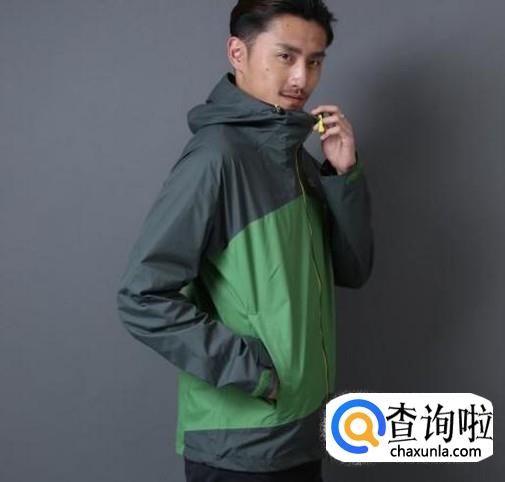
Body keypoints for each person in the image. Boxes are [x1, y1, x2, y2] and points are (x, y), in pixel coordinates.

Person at [116, 1, 374, 480]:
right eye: (286, 56)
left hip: (303, 432)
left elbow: (353, 270)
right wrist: (254, 373)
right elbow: (141, 297)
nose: (301, 78)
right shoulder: (215, 159)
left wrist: (343, 176)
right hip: (241, 446)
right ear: (238, 52)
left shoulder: (295, 157)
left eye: (315, 61)